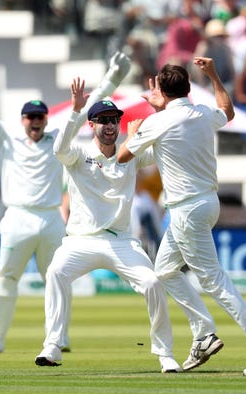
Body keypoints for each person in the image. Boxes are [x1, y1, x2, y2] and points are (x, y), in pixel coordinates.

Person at [0, 47, 131, 354]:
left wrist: (112, 79)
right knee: (6, 277)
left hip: (52, 218)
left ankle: (59, 339)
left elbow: (88, 108)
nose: (36, 122)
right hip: (17, 218)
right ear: (23, 119)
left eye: (40, 117)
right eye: (31, 117)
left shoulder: (56, 139)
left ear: (45, 119)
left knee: (58, 278)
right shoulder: (7, 139)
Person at [117, 57, 246, 376]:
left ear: (162, 93)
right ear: (189, 88)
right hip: (207, 203)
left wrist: (137, 128)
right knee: (164, 270)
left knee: (214, 280)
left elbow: (124, 155)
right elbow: (228, 111)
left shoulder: (159, 121)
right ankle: (204, 334)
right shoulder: (203, 113)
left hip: (186, 209)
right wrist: (214, 74)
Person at [34, 79, 180, 373]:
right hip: (80, 241)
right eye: (103, 121)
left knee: (152, 283)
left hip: (121, 241)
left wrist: (160, 113)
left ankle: (165, 353)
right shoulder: (80, 154)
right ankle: (52, 346)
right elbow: (59, 148)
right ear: (92, 125)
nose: (110, 126)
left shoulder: (130, 154)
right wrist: (75, 111)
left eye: (114, 120)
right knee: (56, 272)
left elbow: (166, 148)